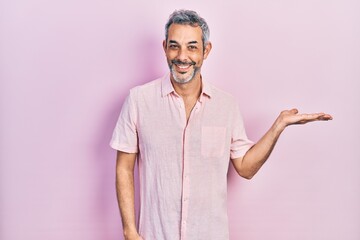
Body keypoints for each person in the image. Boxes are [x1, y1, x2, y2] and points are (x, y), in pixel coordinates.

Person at [110, 9, 332, 240]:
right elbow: (124, 167)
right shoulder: (139, 100)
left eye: (192, 47)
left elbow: (245, 168)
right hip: (156, 234)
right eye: (175, 46)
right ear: (165, 47)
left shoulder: (226, 105)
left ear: (206, 50)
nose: (182, 56)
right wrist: (129, 231)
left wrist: (279, 125)